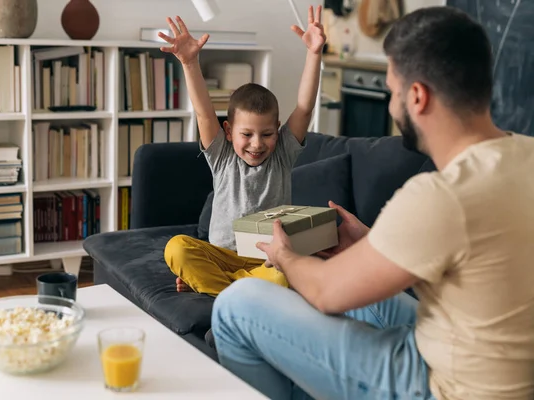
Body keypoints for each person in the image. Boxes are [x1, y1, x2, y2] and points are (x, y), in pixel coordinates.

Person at [211, 6, 534, 400]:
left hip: (448, 387)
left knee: (235, 305)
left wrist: (286, 255)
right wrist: (367, 242)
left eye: (392, 90)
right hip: (496, 365)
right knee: (366, 304)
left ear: (417, 97)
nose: (390, 104)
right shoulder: (525, 154)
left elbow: (327, 292)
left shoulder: (440, 194)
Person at [160, 7, 326, 296]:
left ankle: (221, 290)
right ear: (228, 132)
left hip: (268, 261)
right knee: (177, 249)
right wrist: (189, 63)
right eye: (246, 135)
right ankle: (239, 290)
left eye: (267, 134)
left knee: (283, 277)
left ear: (278, 129)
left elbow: (304, 108)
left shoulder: (283, 154)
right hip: (221, 256)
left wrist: (314, 54)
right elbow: (204, 114)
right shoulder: (223, 157)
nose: (257, 144)